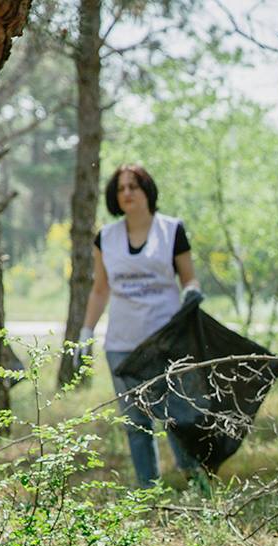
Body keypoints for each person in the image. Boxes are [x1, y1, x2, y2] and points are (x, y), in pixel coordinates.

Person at [79, 163, 204, 488]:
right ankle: (147, 494)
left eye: (133, 186)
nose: (127, 193)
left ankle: (195, 483)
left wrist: (192, 293)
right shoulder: (105, 238)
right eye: (120, 188)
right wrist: (86, 332)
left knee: (178, 416)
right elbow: (100, 290)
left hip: (166, 342)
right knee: (136, 422)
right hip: (122, 344)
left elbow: (189, 279)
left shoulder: (171, 230)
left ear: (147, 190)